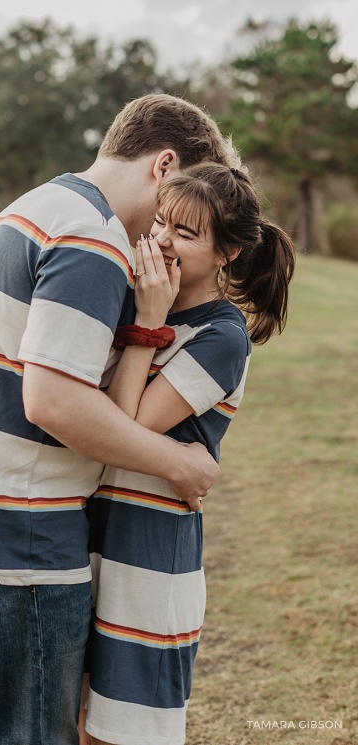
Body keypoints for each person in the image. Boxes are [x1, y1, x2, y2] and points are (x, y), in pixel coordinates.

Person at [0, 94, 237, 745]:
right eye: (185, 198)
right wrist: (180, 463)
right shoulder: (92, 238)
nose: (165, 234)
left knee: (4, 721)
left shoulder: (37, 205)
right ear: (164, 166)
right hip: (16, 522)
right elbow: (52, 401)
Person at [82, 163, 294, 745]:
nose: (165, 240)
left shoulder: (220, 337)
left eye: (189, 233)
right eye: (164, 222)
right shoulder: (136, 301)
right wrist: (144, 317)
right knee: (79, 726)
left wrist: (149, 325)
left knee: (124, 733)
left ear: (227, 252)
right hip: (94, 539)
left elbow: (123, 428)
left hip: (149, 556)